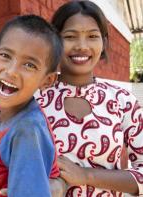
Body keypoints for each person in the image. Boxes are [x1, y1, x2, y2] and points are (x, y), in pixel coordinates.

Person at [36, 1, 143, 196]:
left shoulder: (123, 101)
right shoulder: (36, 97)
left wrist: (86, 175)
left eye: (92, 36)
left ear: (103, 43)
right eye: (70, 36)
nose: (82, 46)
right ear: (54, 41)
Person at [0, 15, 62, 197]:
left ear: (47, 80)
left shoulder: (26, 131)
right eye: (5, 56)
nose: (11, 71)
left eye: (29, 65)